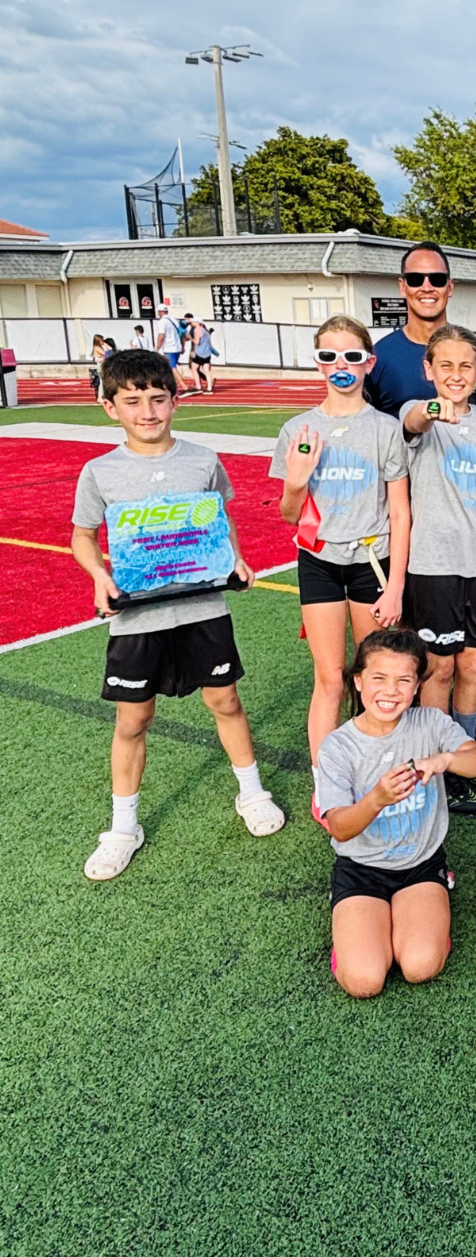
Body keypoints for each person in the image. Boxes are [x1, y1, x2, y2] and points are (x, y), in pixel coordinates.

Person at [70, 349, 285, 881]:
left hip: (202, 606)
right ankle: (124, 828)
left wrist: (235, 557)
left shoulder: (203, 460)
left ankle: (252, 793)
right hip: (138, 617)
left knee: (226, 700)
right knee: (133, 720)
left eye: (158, 399)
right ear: (109, 407)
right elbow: (83, 535)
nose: (147, 411)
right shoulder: (99, 471)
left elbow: (220, 519)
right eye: (132, 401)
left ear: (174, 401)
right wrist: (99, 576)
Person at [270, 316, 411, 787]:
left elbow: (400, 513)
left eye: (352, 356)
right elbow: (290, 514)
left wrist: (395, 586)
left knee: (374, 675)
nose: (341, 366)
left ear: (369, 362)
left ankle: (373, 768)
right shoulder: (298, 429)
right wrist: (296, 481)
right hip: (319, 562)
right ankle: (325, 779)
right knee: (330, 677)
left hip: (373, 563)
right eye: (329, 356)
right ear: (318, 364)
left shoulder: (385, 429)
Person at [317, 628, 476, 997]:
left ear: (416, 687)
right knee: (364, 980)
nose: (391, 691)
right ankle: (352, 929)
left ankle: (431, 902)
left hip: (421, 863)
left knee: (419, 965)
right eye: (379, 678)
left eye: (403, 680)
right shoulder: (337, 746)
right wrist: (376, 799)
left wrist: (445, 759)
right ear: (358, 681)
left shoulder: (430, 722)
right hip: (361, 868)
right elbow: (340, 828)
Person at [401, 324, 476, 812]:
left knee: (473, 664)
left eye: (466, 365)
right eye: (445, 364)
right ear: (428, 370)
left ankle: (463, 756)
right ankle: (436, 764)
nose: (456, 374)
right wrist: (431, 411)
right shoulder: (419, 413)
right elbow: (413, 421)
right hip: (435, 564)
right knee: (440, 668)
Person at [365, 240, 476, 422]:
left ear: (449, 287)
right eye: (415, 279)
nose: (427, 288)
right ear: (402, 287)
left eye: (437, 279)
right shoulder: (378, 358)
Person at [186, 315, 217, 394]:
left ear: (198, 322)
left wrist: (190, 337)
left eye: (193, 321)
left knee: (194, 368)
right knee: (207, 370)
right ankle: (209, 388)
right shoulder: (205, 330)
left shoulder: (197, 330)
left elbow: (197, 342)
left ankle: (198, 386)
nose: (192, 322)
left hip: (200, 353)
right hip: (207, 353)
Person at [154, 305, 183, 370]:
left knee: (172, 369)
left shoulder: (162, 321)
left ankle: (180, 378)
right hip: (177, 347)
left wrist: (157, 348)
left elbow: (161, 336)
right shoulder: (174, 320)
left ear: (160, 312)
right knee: (172, 368)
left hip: (169, 348)